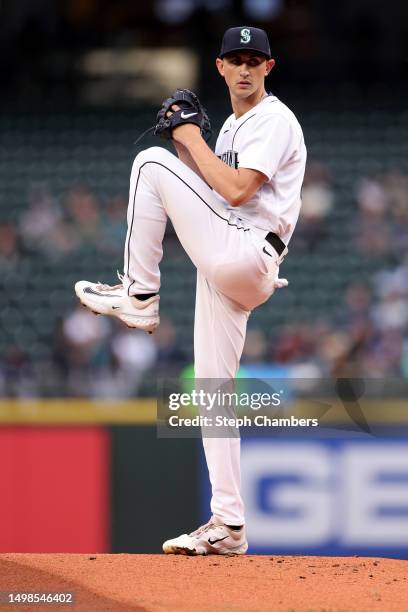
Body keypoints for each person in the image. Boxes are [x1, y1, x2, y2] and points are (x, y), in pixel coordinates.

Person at [75, 26, 307, 555]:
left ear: (269, 68)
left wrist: (185, 138)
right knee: (212, 393)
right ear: (220, 67)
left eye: (255, 59)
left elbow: (238, 188)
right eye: (236, 59)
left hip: (247, 251)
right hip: (234, 258)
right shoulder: (228, 127)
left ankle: (138, 294)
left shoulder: (273, 119)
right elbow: (210, 194)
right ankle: (228, 525)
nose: (245, 68)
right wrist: (191, 144)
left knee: (147, 162)